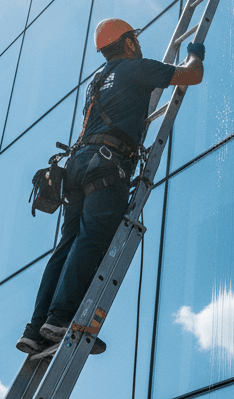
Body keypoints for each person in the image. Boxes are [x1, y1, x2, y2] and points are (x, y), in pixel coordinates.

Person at [16, 18, 205, 355]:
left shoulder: (97, 79)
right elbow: (191, 76)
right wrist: (194, 54)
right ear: (129, 42)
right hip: (107, 165)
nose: (139, 45)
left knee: (68, 244)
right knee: (92, 240)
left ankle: (35, 327)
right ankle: (60, 320)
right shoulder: (136, 69)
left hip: (78, 166)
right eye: (136, 39)